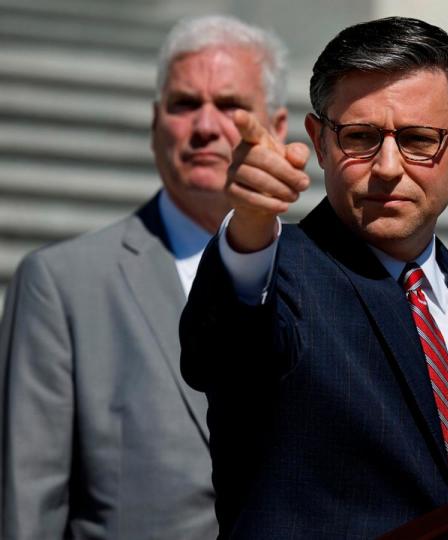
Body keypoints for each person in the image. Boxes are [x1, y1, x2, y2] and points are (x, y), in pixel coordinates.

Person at [179, 16, 448, 538]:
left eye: (418, 139)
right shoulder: (279, 272)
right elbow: (223, 350)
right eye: (359, 137)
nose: (386, 166)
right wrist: (249, 224)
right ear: (318, 141)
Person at [0, 15, 289, 539]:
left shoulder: (330, 279)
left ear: (279, 129)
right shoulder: (62, 284)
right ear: (155, 123)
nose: (205, 126)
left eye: (230, 106)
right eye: (184, 105)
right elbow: (27, 503)